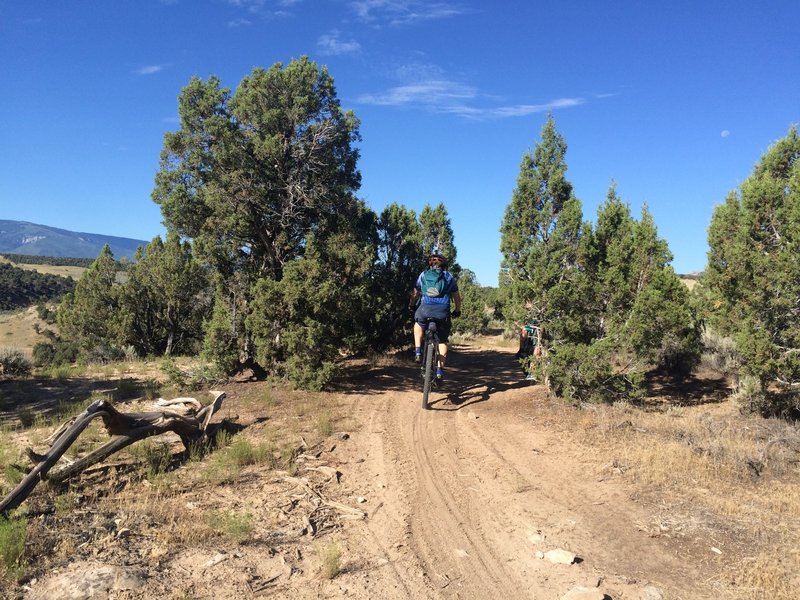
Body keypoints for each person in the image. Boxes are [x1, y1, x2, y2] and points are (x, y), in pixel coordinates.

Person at [408, 253, 462, 383]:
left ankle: (418, 351)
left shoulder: (423, 275)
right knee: (442, 341)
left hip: (425, 308)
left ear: (430, 264)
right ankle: (439, 371)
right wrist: (457, 310)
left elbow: (415, 293)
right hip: (443, 312)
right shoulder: (449, 277)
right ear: (444, 265)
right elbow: (456, 297)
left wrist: (411, 305)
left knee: (418, 324)